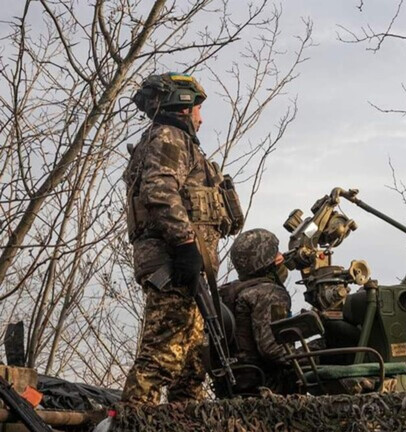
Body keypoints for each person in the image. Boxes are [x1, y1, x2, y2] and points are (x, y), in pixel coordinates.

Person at [121, 72, 241, 404]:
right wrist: (186, 245)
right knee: (159, 359)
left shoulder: (171, 141)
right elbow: (159, 190)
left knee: (192, 368)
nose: (201, 119)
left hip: (188, 269)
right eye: (199, 109)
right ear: (183, 107)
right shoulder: (168, 138)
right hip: (173, 267)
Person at [218, 228, 295, 396]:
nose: (281, 256)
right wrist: (308, 353)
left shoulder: (228, 292)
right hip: (266, 385)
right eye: (275, 252)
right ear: (266, 260)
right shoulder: (268, 293)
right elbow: (272, 349)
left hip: (234, 384)